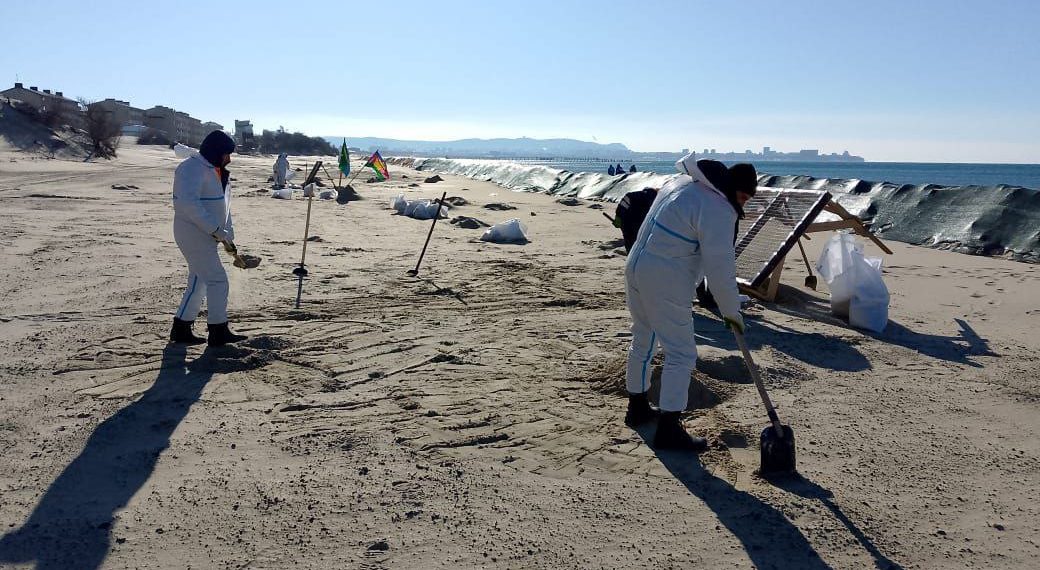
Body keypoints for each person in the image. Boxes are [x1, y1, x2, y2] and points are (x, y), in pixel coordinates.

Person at [623, 154, 757, 451]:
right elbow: (720, 269)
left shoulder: (681, 184)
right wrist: (732, 311)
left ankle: (637, 408)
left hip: (636, 266)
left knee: (643, 336)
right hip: (665, 276)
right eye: (744, 197)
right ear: (732, 187)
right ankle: (669, 428)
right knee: (681, 353)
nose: (744, 204)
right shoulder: (719, 208)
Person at [169, 130, 248, 347]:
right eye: (226, 154)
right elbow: (188, 205)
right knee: (217, 280)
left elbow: (224, 206)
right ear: (215, 151)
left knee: (199, 280)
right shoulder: (190, 168)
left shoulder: (216, 171)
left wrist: (227, 235)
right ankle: (218, 331)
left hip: (209, 234)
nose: (229, 159)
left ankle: (182, 328)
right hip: (193, 234)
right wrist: (216, 230)